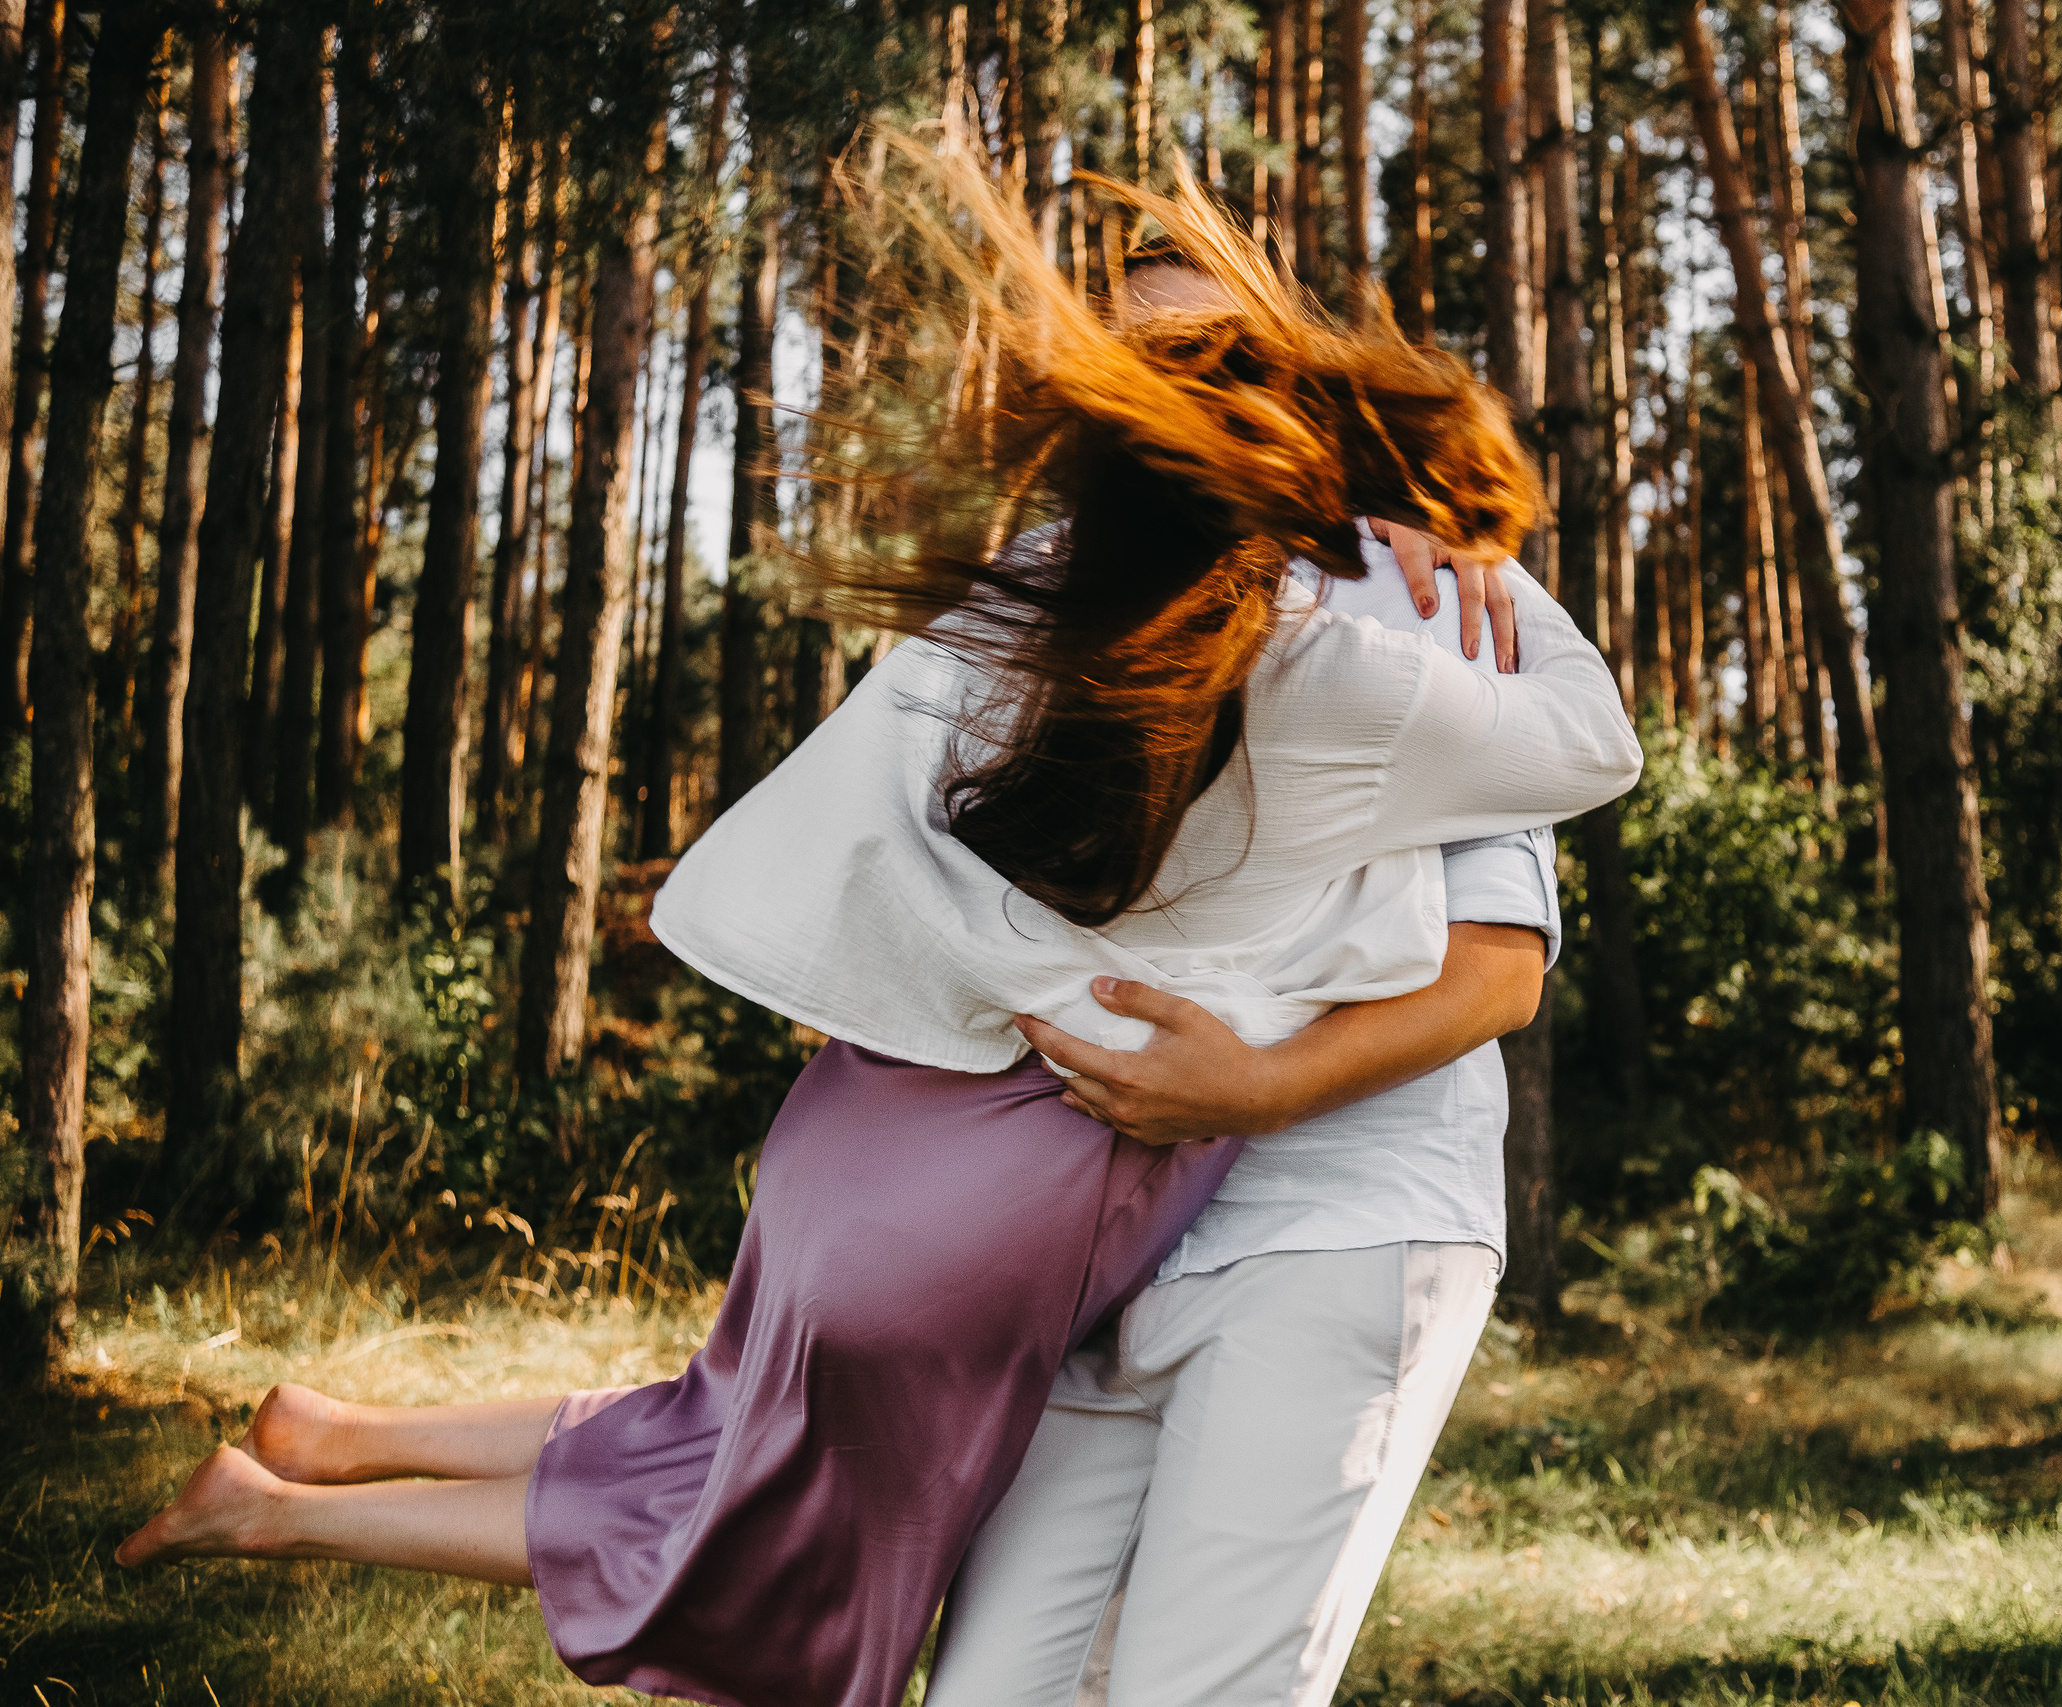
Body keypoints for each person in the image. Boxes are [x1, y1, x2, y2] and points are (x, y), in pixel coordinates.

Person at [115, 168, 1641, 1707]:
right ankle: (319, 1469)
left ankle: (314, 1471)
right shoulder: (1057, 609)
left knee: (1194, 1685)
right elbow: (887, 840)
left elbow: (1499, 968)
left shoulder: (1423, 614)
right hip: (1097, 1208)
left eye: (1215, 363)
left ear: (1295, 390)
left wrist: (1252, 1089)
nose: (1173, 402)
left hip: (1336, 1215)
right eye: (1136, 375)